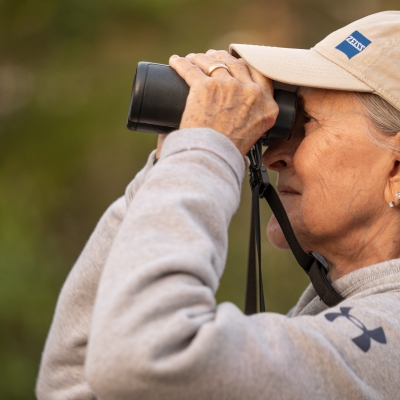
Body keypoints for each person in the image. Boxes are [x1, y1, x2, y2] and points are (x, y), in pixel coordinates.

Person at [36, 11, 400, 400]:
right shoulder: (339, 321)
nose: (274, 155)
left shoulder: (387, 336)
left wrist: (204, 150)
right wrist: (169, 163)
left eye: (305, 123)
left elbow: (145, 357)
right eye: (282, 125)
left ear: (395, 170)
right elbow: (76, 384)